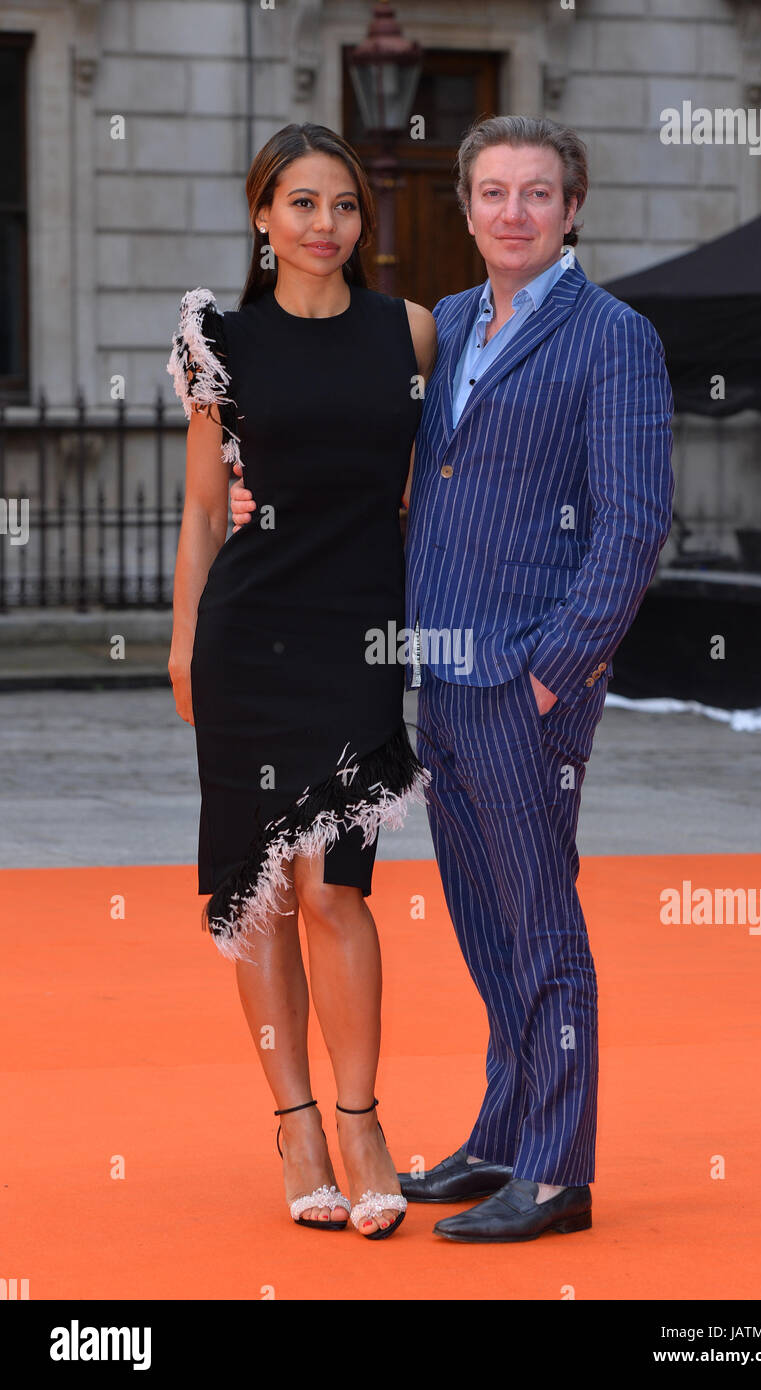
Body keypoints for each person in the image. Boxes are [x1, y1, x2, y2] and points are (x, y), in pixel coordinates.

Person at [231, 114, 674, 1244]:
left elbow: (631, 524)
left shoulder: (611, 335)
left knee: (539, 924)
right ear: (467, 208)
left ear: (572, 208)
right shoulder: (454, 324)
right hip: (435, 669)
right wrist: (256, 498)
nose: (512, 212)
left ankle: (558, 1169)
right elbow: (387, 470)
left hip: (526, 680)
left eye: (536, 193)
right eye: (492, 192)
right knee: (482, 917)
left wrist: (554, 669)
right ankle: (505, 1131)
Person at [167, 122, 436, 1239]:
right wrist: (182, 642)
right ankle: (295, 1124)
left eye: (343, 206)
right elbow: (197, 507)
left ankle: (364, 1118)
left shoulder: (410, 332)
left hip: (358, 636)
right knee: (264, 892)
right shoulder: (216, 338)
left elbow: (435, 485)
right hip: (249, 635)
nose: (325, 225)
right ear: (261, 216)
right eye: (302, 203)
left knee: (338, 888)